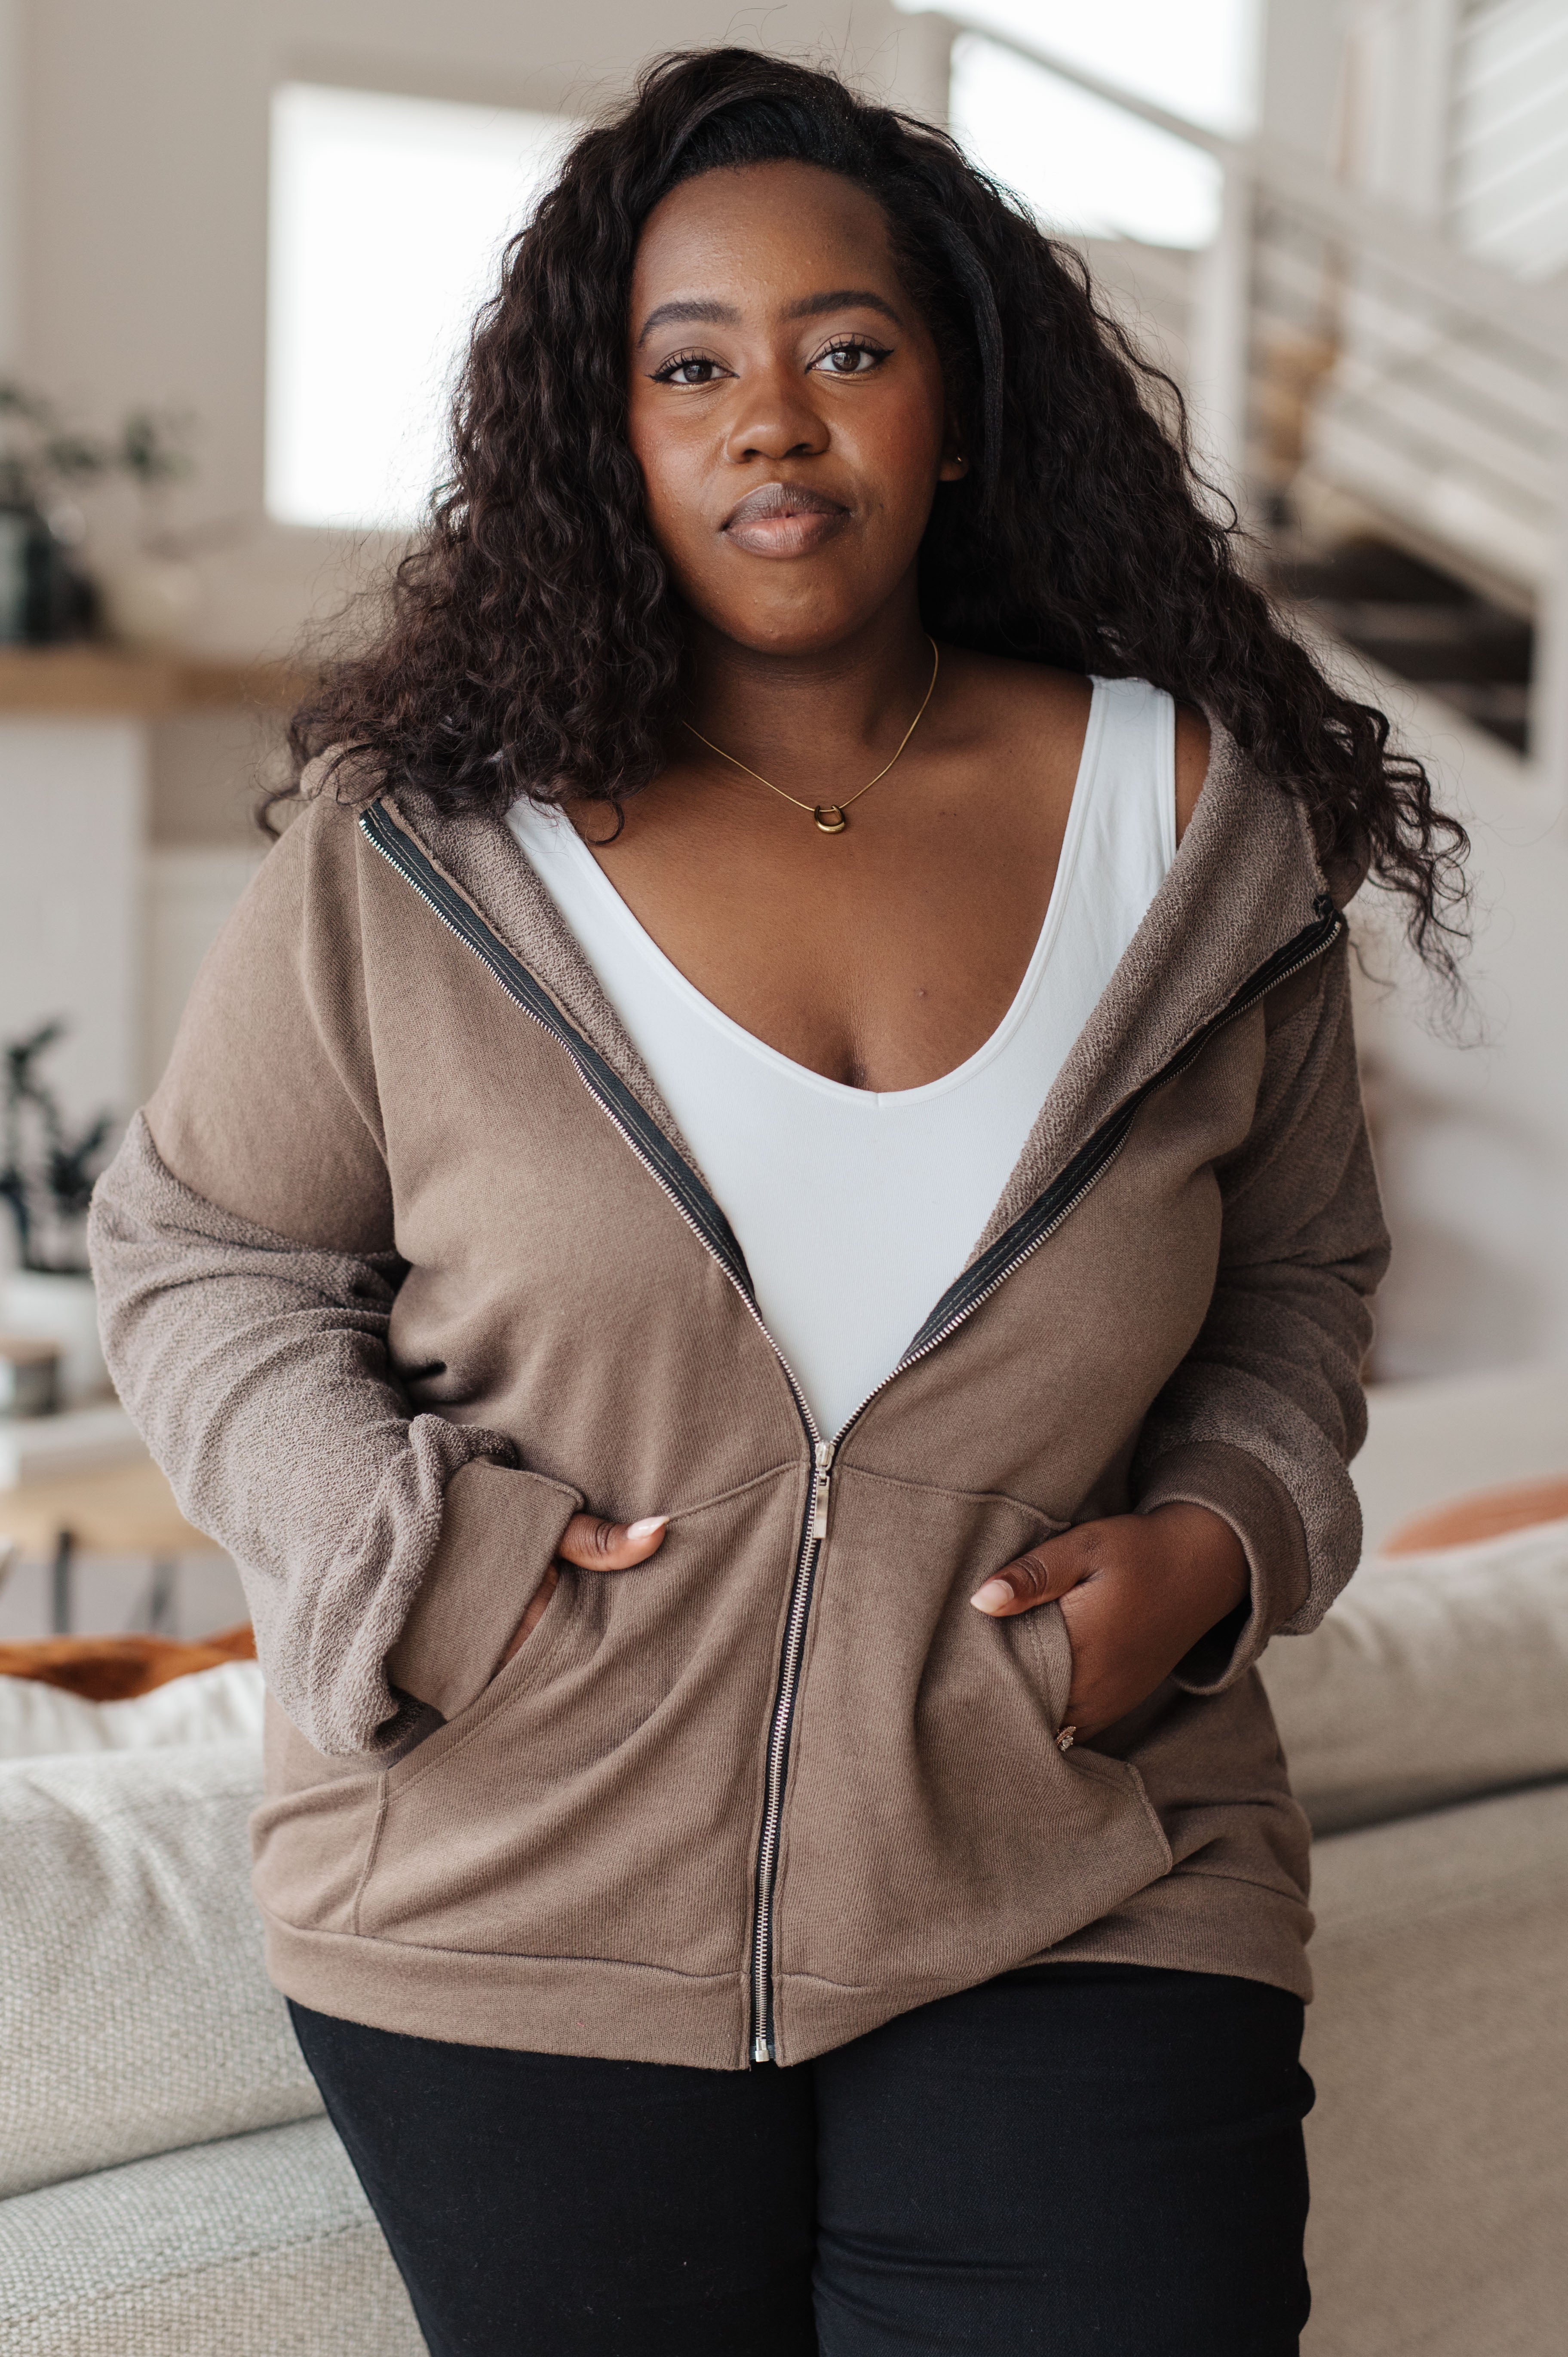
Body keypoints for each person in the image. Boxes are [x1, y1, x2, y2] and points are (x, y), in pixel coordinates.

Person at [90, 47, 1467, 2357]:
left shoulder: (1193, 827)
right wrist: (416, 1567)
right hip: (512, 1878)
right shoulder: (426, 841)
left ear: (956, 405)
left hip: (1079, 1851)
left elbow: (1301, 1271)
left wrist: (1223, 1542)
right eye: (690, 365)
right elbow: (206, 1251)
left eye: (848, 351)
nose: (774, 422)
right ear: (606, 430)